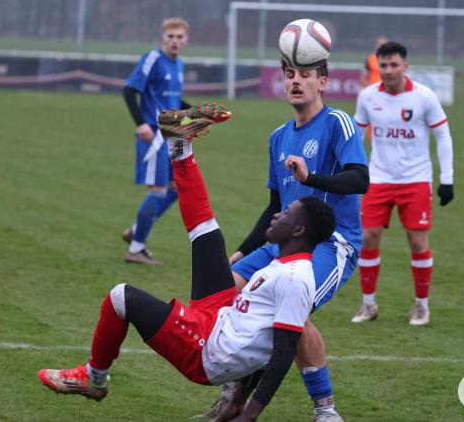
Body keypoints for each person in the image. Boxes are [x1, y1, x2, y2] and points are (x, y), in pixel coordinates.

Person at [38, 109, 338, 422]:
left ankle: (93, 378)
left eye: (286, 215)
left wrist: (247, 413)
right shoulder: (282, 263)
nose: (277, 215)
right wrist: (236, 402)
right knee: (206, 231)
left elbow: (281, 352)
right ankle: (179, 145)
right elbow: (260, 340)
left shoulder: (295, 278)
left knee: (120, 297)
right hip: (219, 317)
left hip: (208, 351)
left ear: (299, 231)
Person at [201, 60, 368, 422]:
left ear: (322, 82)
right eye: (290, 75)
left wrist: (312, 178)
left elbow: (360, 180)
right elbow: (275, 207)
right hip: (281, 244)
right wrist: (243, 250)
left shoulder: (338, 122)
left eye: (305, 75)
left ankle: (325, 411)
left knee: (292, 310)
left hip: (331, 242)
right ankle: (234, 394)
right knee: (222, 294)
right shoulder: (278, 136)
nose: (296, 82)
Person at [351, 41, 454, 326]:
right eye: (383, 65)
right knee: (368, 238)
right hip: (379, 178)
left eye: (394, 65)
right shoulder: (368, 97)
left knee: (418, 242)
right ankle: (368, 305)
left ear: (405, 66)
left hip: (415, 180)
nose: (388, 70)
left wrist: (447, 179)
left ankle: (422, 306)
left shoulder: (424, 97)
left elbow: (443, 136)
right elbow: (356, 137)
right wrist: (349, 172)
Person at [120, 17, 193, 265]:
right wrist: (141, 124)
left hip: (171, 134)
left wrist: (198, 114)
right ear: (163, 38)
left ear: (186, 40)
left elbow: (172, 103)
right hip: (153, 135)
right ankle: (136, 248)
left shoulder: (179, 64)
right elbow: (130, 90)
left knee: (175, 190)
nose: (174, 41)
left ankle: (135, 231)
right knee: (158, 190)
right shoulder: (152, 59)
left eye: (179, 37)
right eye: (170, 37)